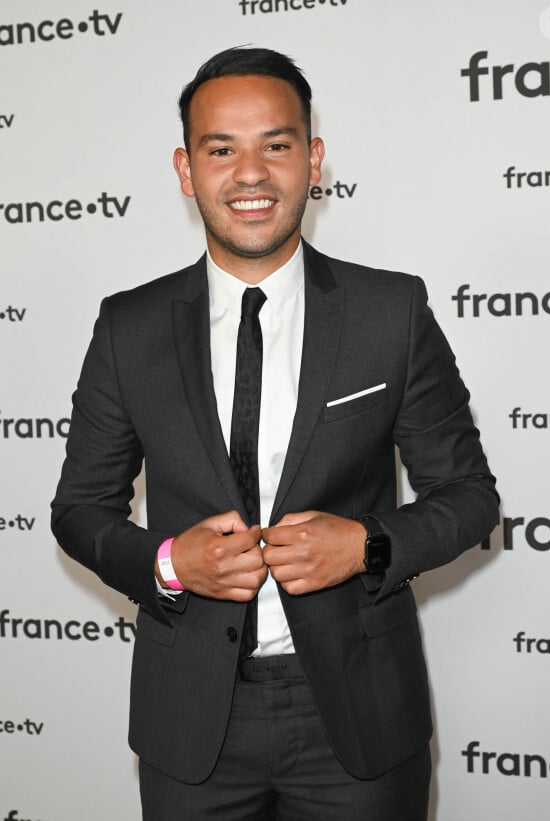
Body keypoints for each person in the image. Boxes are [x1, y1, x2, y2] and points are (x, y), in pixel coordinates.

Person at [51, 46, 499, 821]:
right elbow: (80, 508)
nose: (250, 173)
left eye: (276, 145)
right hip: (191, 721)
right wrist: (166, 559)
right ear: (186, 170)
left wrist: (368, 545)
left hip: (357, 716)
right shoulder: (129, 327)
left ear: (313, 158)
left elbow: (468, 496)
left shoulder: (390, 312)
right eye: (221, 148)